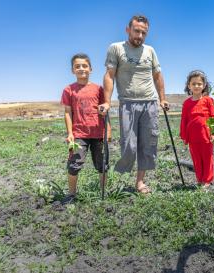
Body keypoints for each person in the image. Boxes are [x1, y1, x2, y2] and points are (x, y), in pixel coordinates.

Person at [99, 15, 169, 194]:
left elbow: (157, 76)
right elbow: (109, 75)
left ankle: (140, 182)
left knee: (148, 144)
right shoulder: (116, 48)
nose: (139, 35)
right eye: (137, 31)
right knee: (129, 145)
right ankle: (121, 172)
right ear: (128, 29)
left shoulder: (150, 51)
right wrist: (107, 102)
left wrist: (162, 98)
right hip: (128, 103)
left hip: (150, 103)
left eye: (143, 32)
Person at [60, 53, 111, 205]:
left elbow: (105, 111)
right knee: (74, 164)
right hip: (79, 134)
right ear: (72, 70)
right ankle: (71, 195)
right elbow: (68, 113)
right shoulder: (69, 90)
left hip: (98, 133)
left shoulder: (98, 89)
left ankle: (104, 193)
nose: (81, 68)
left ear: (91, 69)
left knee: (102, 164)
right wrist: (70, 133)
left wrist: (108, 130)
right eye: (77, 66)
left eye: (84, 65)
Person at [180, 70, 214, 188]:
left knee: (207, 158)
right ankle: (199, 179)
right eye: (193, 84)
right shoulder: (186, 103)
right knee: (196, 159)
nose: (196, 86)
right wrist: (184, 137)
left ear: (204, 85)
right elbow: (184, 120)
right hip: (193, 137)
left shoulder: (208, 100)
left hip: (206, 136)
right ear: (189, 86)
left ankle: (207, 180)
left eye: (199, 84)